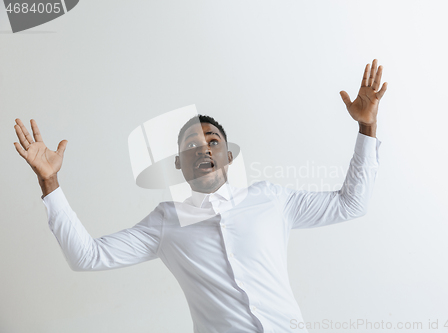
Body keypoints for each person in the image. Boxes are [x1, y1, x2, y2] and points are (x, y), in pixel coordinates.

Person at [14, 59, 387, 333]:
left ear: (229, 154)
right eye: (192, 144)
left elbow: (351, 204)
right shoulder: (166, 222)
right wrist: (50, 183)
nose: (203, 148)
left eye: (212, 141)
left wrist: (366, 125)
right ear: (179, 163)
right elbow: (87, 256)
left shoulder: (271, 200)